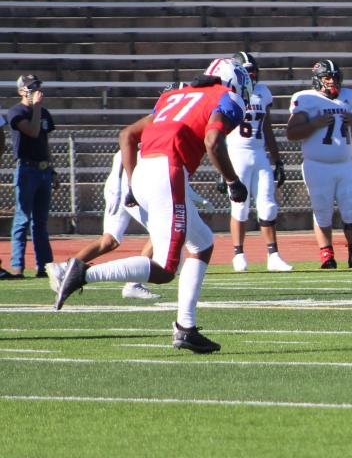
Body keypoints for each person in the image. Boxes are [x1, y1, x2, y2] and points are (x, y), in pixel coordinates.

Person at [53, 63, 253, 353]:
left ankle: (185, 328)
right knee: (165, 269)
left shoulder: (174, 95)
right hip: (169, 172)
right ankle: (83, 274)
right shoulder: (226, 97)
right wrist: (233, 181)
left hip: (146, 169)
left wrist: (134, 183)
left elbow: (127, 135)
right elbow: (213, 140)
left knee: (202, 243)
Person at [285, 60, 352, 269]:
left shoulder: (349, 97)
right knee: (322, 210)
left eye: (335, 77)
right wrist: (313, 124)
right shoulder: (306, 99)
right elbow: (291, 133)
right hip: (317, 165)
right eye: (327, 77)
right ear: (317, 79)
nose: (331, 81)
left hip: (344, 164)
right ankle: (326, 255)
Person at [46, 149, 165, 300]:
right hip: (127, 187)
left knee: (109, 241)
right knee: (161, 230)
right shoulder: (154, 131)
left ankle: (64, 269)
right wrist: (120, 183)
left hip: (123, 185)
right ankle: (134, 284)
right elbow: (126, 148)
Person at [217, 52, 292, 273]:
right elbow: (217, 132)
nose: (251, 74)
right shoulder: (227, 93)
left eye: (253, 70)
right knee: (240, 207)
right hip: (236, 154)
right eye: (247, 70)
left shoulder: (263, 92)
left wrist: (277, 159)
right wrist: (222, 169)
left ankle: (273, 255)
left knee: (268, 206)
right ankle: (238, 254)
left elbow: (267, 128)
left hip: (259, 154)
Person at [8, 73, 53, 276]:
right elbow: (33, 131)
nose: (35, 89)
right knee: (22, 219)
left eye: (36, 86)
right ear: (21, 91)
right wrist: (35, 107)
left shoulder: (43, 112)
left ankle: (44, 266)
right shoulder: (16, 112)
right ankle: (17, 266)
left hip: (43, 170)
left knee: (40, 222)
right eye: (31, 87)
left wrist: (53, 169)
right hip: (26, 170)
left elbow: (44, 141)